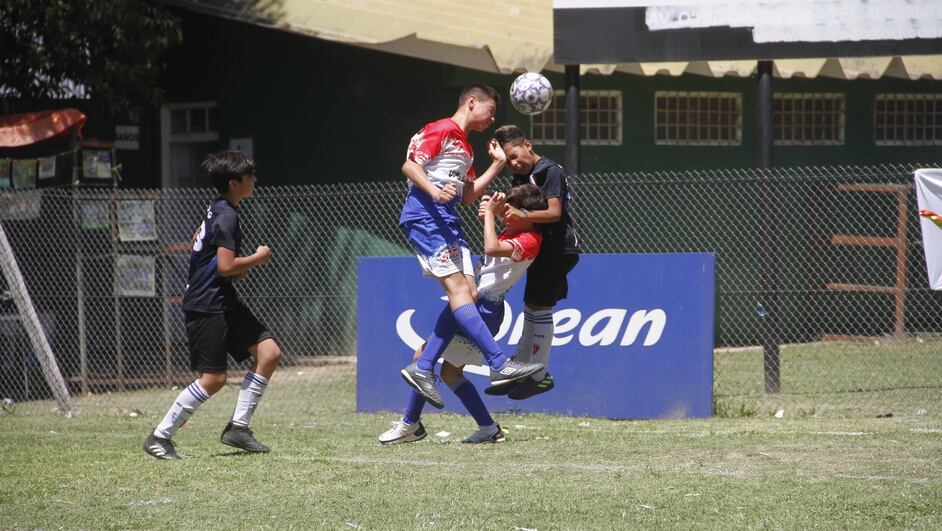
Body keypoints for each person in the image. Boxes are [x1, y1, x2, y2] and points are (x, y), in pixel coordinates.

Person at [397, 85, 543, 408]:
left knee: (470, 293)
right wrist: (434, 193)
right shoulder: (441, 129)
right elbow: (410, 166)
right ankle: (498, 362)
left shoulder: (465, 148)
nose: (492, 119)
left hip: (448, 222)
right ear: (472, 102)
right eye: (490, 111)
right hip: (426, 217)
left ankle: (422, 367)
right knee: (461, 293)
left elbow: (468, 195)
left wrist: (498, 164)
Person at [381, 184, 546, 444]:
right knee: (449, 373)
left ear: (526, 214)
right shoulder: (513, 231)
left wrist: (491, 214)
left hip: (481, 308)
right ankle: (488, 428)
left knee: (422, 357)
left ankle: (409, 424)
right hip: (478, 304)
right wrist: (492, 209)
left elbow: (491, 248)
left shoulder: (530, 240)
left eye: (509, 212)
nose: (504, 216)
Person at [143, 151, 282, 460]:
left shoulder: (220, 208)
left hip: (222, 299)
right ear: (235, 183)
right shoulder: (227, 214)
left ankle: (238, 428)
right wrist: (258, 259)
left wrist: (231, 267)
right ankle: (159, 437)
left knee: (269, 352)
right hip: (206, 304)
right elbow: (224, 265)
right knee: (214, 379)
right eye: (250, 177)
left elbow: (202, 244)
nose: (254, 181)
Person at [488, 125, 581, 400]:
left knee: (541, 306)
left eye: (515, 155)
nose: (514, 163)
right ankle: (521, 367)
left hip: (558, 249)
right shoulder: (520, 175)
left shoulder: (548, 171)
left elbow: (554, 212)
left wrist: (524, 215)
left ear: (528, 144)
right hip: (541, 250)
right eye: (509, 161)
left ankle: (539, 375)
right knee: (532, 304)